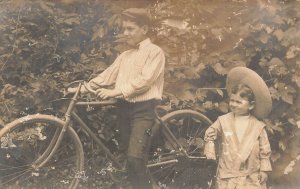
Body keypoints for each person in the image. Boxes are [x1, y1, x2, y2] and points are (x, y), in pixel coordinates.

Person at [68, 8, 165, 189]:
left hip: (144, 110)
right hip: (124, 108)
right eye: (123, 29)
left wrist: (115, 92)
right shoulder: (125, 56)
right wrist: (81, 89)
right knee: (127, 156)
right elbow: (106, 77)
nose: (125, 33)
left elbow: (144, 81)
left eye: (130, 29)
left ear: (144, 29)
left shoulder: (155, 52)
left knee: (135, 159)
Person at [204, 67, 272, 189]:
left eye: (239, 102)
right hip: (228, 174)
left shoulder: (258, 126)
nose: (233, 105)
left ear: (251, 105)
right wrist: (210, 142)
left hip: (250, 176)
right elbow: (211, 131)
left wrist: (264, 170)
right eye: (232, 100)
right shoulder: (223, 120)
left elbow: (264, 149)